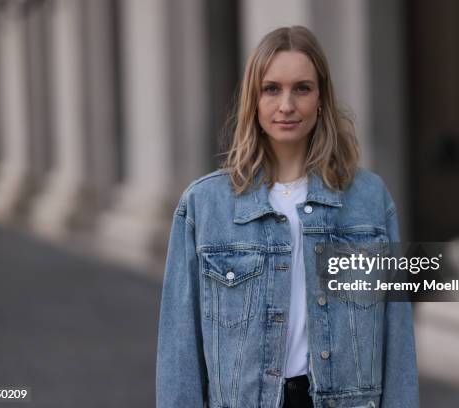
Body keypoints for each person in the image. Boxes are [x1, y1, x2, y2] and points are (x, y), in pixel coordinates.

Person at [156, 26, 418, 408]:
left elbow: (397, 339)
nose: (286, 106)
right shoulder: (204, 205)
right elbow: (180, 349)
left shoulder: (369, 200)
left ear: (322, 98)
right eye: (271, 89)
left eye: (302, 88)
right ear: (254, 101)